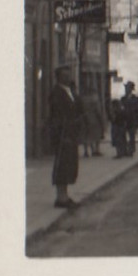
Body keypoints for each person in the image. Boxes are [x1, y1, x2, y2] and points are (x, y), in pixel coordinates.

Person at [49, 66, 82, 207]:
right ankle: (60, 198)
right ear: (59, 77)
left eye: (69, 75)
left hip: (71, 132)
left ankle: (65, 195)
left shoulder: (70, 91)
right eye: (65, 76)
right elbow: (57, 115)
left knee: (69, 164)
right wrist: (61, 132)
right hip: (63, 134)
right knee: (62, 164)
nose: (68, 78)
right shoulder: (56, 93)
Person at [118, 82, 138, 156]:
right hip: (124, 120)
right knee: (122, 136)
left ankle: (131, 150)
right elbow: (120, 109)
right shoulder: (123, 99)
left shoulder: (135, 99)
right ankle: (124, 150)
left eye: (128, 88)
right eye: (126, 88)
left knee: (132, 136)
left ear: (131, 89)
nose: (126, 90)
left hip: (132, 120)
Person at [80, 91, 104, 158]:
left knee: (86, 136)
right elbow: (98, 112)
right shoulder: (94, 101)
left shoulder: (82, 101)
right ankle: (95, 150)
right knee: (96, 136)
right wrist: (101, 120)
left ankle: (86, 151)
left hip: (84, 120)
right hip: (94, 120)